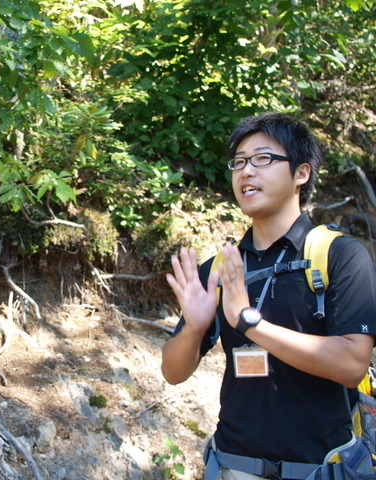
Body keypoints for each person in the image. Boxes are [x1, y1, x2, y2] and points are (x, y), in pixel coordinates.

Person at [161, 112, 376, 480]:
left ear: (301, 173)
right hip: (233, 465)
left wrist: (249, 321)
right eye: (239, 162)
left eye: (263, 159)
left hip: (321, 468)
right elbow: (173, 373)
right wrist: (194, 328)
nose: (246, 172)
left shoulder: (340, 256)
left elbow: (351, 364)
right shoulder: (222, 268)